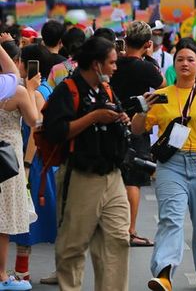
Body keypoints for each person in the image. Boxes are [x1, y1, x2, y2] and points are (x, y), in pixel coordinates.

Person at [131, 39, 196, 291]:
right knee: (170, 220)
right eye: (180, 60)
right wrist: (143, 108)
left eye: (190, 60)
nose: (185, 63)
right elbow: (136, 129)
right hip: (171, 166)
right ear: (173, 65)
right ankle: (164, 273)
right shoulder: (161, 95)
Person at [41, 36, 130, 291]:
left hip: (112, 176)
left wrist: (122, 117)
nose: (115, 67)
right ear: (96, 64)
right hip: (81, 176)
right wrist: (94, 117)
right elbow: (55, 132)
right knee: (73, 245)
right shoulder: (67, 89)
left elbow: (119, 120)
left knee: (118, 239)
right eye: (111, 62)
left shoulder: (107, 89)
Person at [5, 35, 57, 287]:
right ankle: (19, 272)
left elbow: (36, 133)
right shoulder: (23, 90)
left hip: (30, 163)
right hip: (21, 161)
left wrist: (26, 166)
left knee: (26, 219)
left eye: (21, 61)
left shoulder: (32, 93)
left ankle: (21, 272)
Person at [109, 20, 163, 248]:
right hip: (137, 126)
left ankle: (110, 228)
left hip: (109, 124)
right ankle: (129, 231)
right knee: (133, 180)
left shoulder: (113, 64)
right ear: (148, 43)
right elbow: (165, 91)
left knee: (112, 178)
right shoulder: (147, 69)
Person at [0, 37, 41, 291]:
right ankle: (2, 274)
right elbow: (33, 120)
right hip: (7, 158)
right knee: (2, 219)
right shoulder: (16, 90)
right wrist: (32, 90)